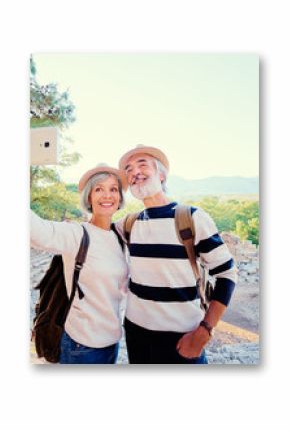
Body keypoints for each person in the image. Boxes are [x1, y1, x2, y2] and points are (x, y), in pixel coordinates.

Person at [116, 145, 237, 364]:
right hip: (136, 333)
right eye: (128, 169)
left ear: (161, 175)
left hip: (183, 336)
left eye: (142, 164)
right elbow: (95, 231)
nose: (134, 172)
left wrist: (205, 331)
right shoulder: (128, 224)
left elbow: (227, 274)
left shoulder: (192, 218)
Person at [30, 164, 129, 364]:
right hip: (82, 345)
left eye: (113, 189)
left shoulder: (120, 235)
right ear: (89, 198)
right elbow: (37, 231)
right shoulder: (76, 234)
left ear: (119, 198)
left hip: (112, 341)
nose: (107, 195)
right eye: (99, 189)